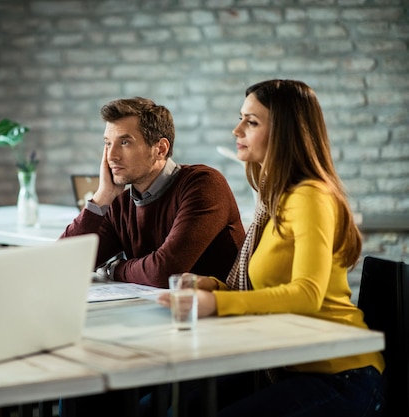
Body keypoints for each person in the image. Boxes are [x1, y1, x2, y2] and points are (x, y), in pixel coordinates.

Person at [158, 80, 386, 416]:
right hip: (286, 364)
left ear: (285, 132)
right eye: (241, 118)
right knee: (171, 406)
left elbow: (306, 294)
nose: (237, 129)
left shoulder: (310, 196)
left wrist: (216, 303)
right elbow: (270, 287)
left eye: (251, 122)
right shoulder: (275, 199)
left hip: (340, 375)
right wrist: (214, 285)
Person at [61, 97, 246, 288]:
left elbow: (165, 272)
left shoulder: (203, 184)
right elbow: (63, 264)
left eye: (124, 142)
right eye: (108, 143)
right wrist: (103, 196)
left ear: (160, 149)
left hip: (218, 313)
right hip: (159, 310)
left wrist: (115, 269)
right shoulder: (120, 203)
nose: (112, 155)